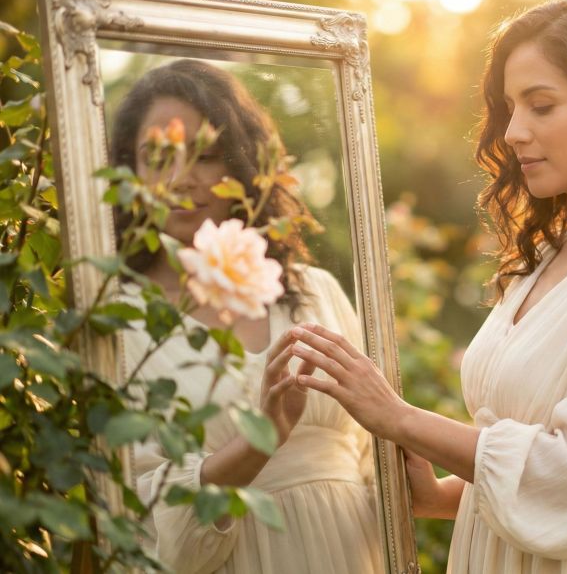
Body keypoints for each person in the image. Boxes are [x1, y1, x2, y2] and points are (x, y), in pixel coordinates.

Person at [292, 0, 567, 572]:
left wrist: (401, 418)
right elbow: (528, 474)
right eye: (510, 108)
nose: (513, 132)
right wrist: (438, 496)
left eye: (542, 105)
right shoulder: (550, 255)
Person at [111, 59, 383, 574]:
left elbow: (378, 462)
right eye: (157, 156)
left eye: (206, 155)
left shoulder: (312, 294)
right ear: (130, 169)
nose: (180, 178)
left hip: (351, 551)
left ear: (239, 164)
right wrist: (260, 441)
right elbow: (135, 516)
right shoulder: (121, 321)